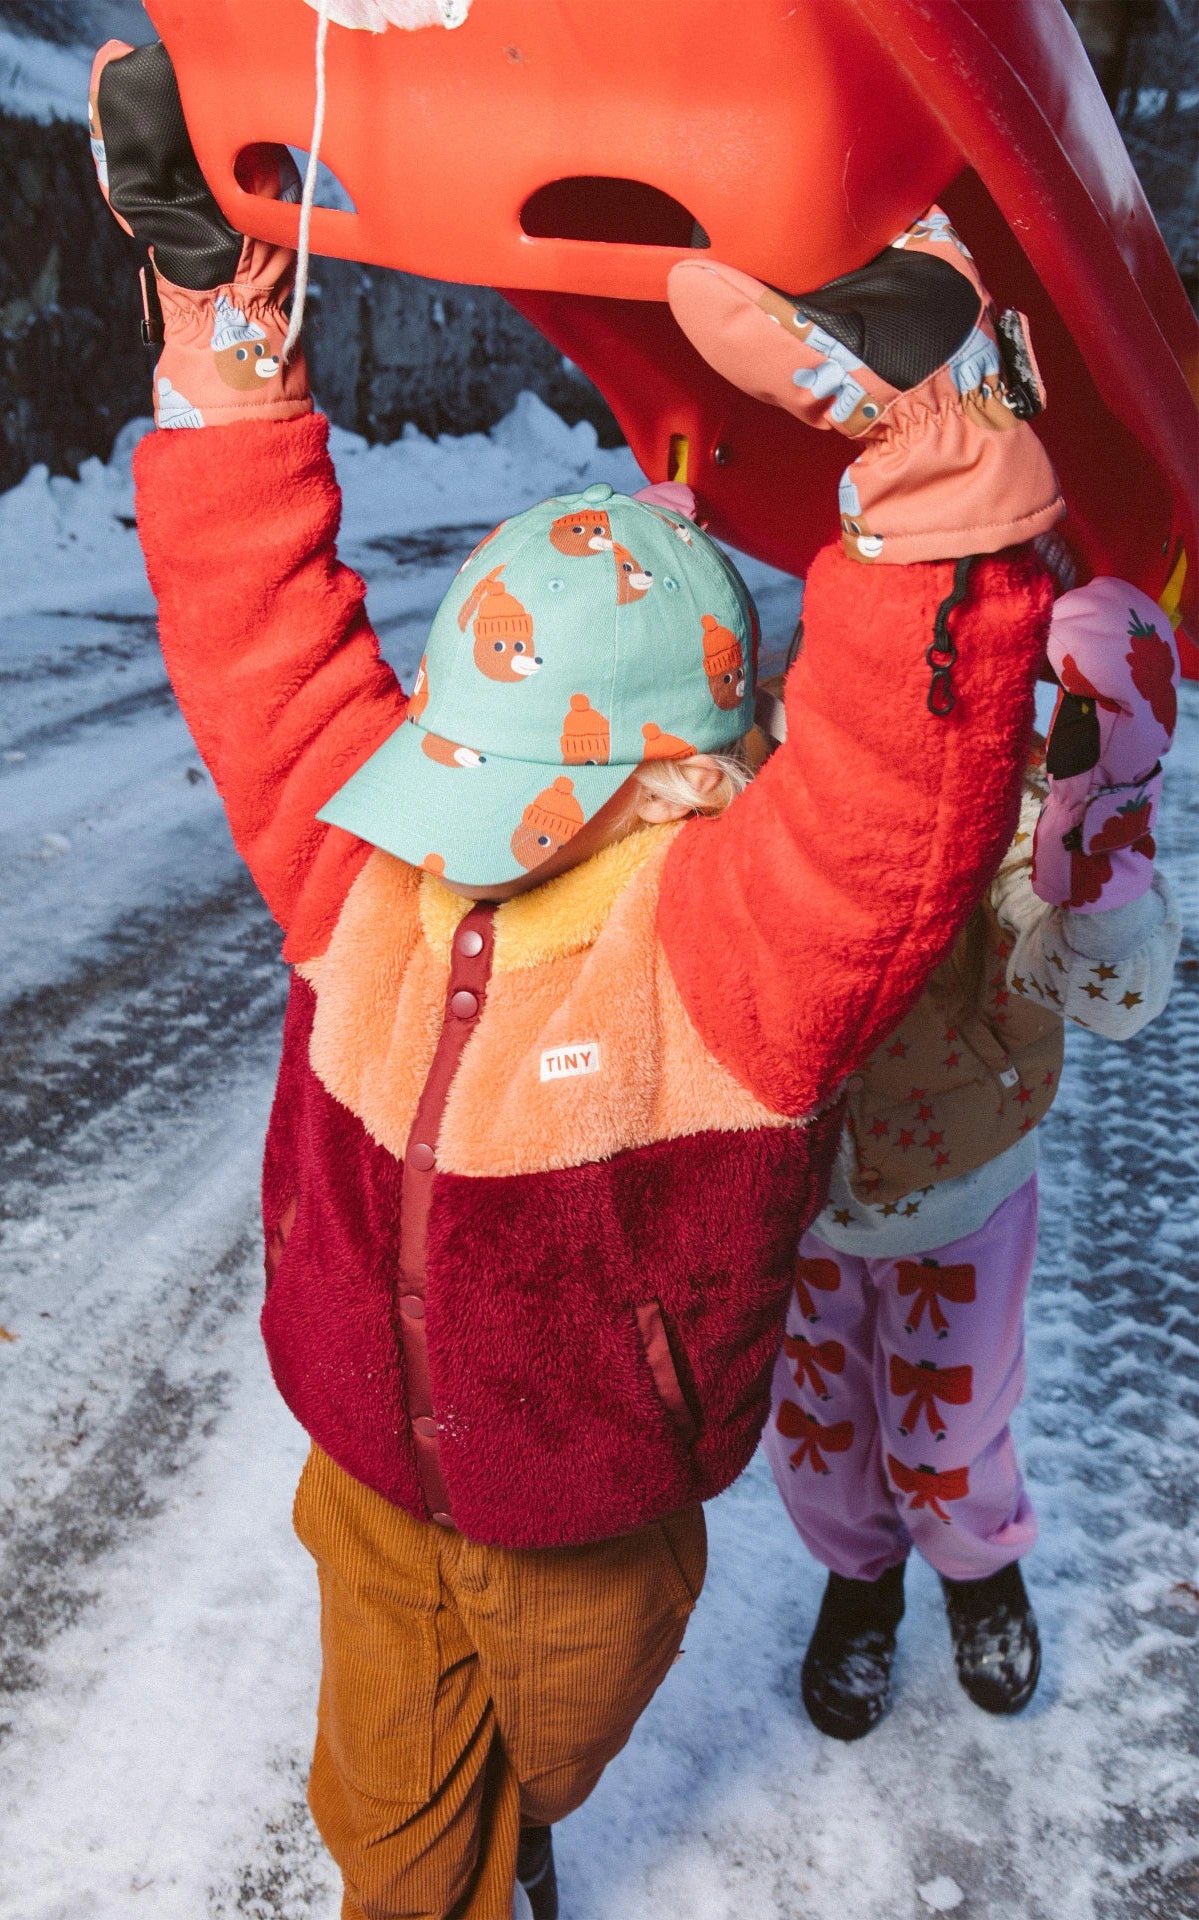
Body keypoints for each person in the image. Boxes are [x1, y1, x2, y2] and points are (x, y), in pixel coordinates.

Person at [90, 41, 1059, 1920]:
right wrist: (224, 338)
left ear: (677, 787)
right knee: (383, 1806)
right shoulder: (369, 861)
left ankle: (499, 1828)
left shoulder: (719, 964)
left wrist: (933, 475)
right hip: (365, 1464)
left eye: (523, 786)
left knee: (540, 1749)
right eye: (463, 758)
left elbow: (884, 803)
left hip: (582, 1534)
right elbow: (264, 646)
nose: (461, 819)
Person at [758, 580, 1181, 1740]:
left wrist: (1102, 843)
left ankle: (977, 1567)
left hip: (959, 1196)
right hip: (798, 1204)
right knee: (815, 1434)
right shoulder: (762, 790)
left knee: (943, 1437)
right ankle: (858, 1581)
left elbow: (1108, 988)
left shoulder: (1006, 820)